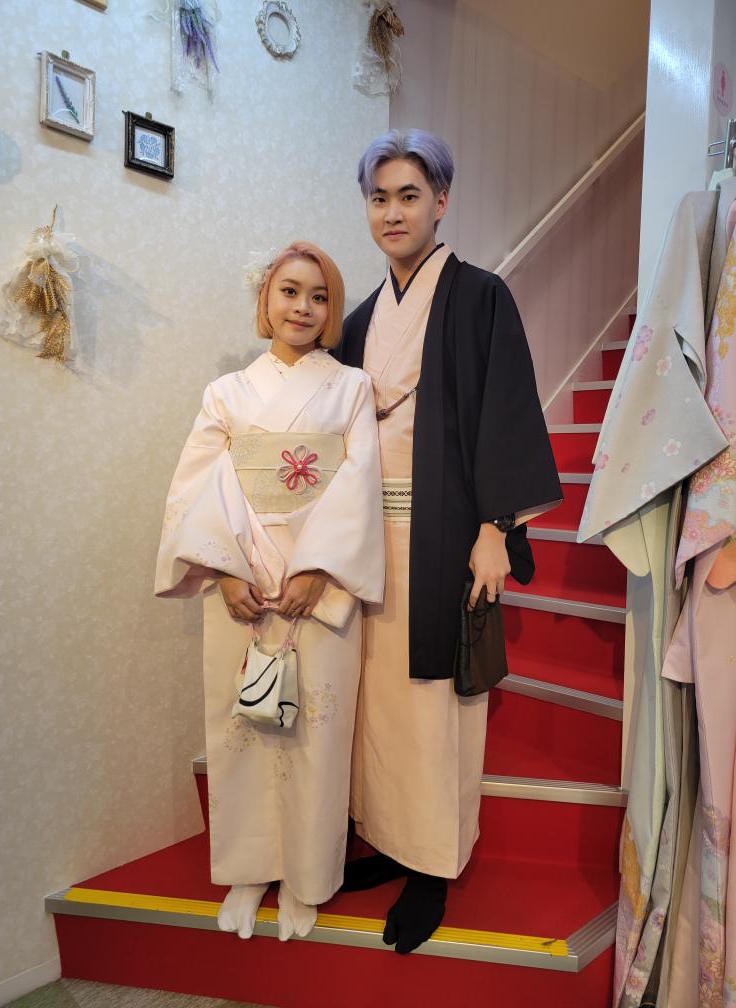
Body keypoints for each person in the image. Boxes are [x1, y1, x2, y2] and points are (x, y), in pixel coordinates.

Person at [335, 130, 562, 954]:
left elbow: (507, 410)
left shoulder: (478, 297)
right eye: (379, 198)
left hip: (446, 531)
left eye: (409, 195)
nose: (393, 212)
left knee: (434, 707)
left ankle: (432, 863)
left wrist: (497, 527)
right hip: (370, 537)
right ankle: (387, 841)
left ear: (441, 201)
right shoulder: (360, 322)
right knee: (375, 702)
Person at [155, 241, 384, 942]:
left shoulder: (352, 388)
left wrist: (317, 570)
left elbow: (359, 484)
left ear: (331, 310)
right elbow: (197, 485)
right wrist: (225, 572)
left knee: (317, 731)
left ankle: (308, 877)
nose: (303, 307)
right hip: (244, 581)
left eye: (319, 296)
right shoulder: (226, 393)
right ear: (266, 299)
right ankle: (250, 870)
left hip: (319, 581)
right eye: (290, 291)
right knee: (245, 731)